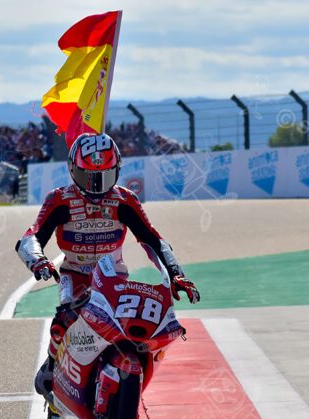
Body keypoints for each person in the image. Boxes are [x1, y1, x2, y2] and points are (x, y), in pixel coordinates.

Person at [15, 132, 200, 397]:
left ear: (117, 170)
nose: (96, 186)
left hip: (114, 276)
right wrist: (39, 261)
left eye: (105, 176)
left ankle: (120, 375)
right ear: (72, 170)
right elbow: (31, 236)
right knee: (66, 318)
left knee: (129, 324)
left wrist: (176, 274)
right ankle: (53, 364)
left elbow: (154, 240)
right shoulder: (59, 199)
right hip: (75, 273)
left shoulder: (125, 200)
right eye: (88, 177)